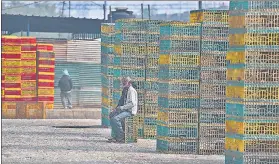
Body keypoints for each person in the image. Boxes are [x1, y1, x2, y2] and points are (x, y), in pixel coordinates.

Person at [108, 77, 138, 143]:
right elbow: (121, 101)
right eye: (123, 82)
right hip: (124, 110)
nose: (123, 83)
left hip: (130, 111)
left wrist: (122, 107)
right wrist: (115, 109)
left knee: (115, 119)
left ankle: (121, 137)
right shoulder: (125, 90)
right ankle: (115, 135)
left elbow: (132, 103)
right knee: (111, 115)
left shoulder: (131, 91)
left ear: (129, 83)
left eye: (125, 82)